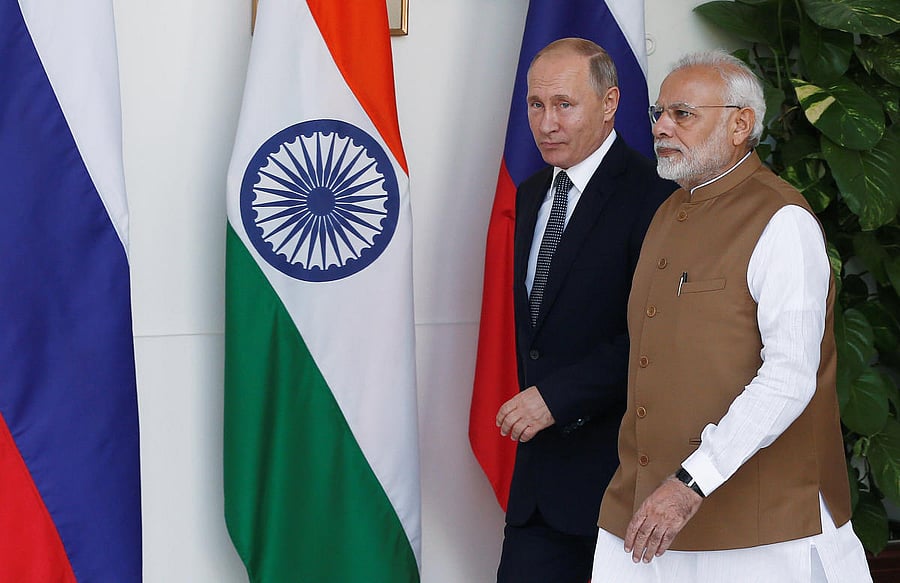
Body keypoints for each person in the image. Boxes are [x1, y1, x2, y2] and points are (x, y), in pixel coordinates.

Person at [592, 50, 872, 582]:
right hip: (651, 513)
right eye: (658, 114)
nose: (661, 128)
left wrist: (691, 482)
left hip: (757, 526)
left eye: (682, 114)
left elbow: (790, 378)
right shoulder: (667, 212)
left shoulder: (782, 219)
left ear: (741, 124)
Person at [494, 38, 676, 583]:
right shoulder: (530, 194)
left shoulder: (655, 196)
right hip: (538, 489)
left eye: (564, 105)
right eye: (535, 104)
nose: (546, 122)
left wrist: (559, 397)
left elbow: (658, 338)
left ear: (610, 102)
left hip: (622, 484)